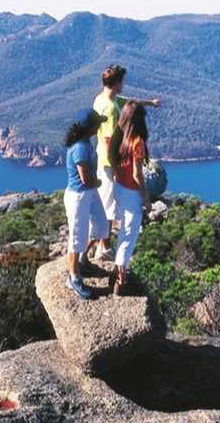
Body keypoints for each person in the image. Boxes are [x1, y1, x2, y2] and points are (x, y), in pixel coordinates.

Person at [91, 64, 160, 261]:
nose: (124, 84)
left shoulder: (102, 98)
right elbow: (111, 139)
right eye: (123, 81)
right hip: (108, 161)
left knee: (109, 202)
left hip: (102, 157)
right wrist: (117, 166)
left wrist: (150, 103)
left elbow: (131, 102)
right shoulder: (111, 109)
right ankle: (103, 247)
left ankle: (102, 244)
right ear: (118, 82)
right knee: (108, 204)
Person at [63, 108, 110, 299]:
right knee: (76, 239)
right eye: (97, 123)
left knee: (101, 226)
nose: (100, 125)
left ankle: (83, 261)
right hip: (79, 196)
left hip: (89, 193)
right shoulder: (80, 148)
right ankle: (73, 278)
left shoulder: (85, 142)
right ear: (89, 128)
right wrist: (99, 182)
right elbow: (85, 179)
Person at [107, 101, 151, 296]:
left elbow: (113, 161)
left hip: (119, 187)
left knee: (123, 232)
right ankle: (120, 283)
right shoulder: (137, 142)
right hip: (132, 192)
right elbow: (137, 174)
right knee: (129, 236)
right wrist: (146, 198)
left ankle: (115, 272)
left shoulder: (120, 138)